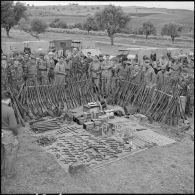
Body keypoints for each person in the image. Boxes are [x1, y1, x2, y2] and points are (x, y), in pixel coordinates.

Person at [1, 90, 19, 178]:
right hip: (8, 134)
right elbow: (13, 126)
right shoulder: (9, 110)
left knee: (2, 152)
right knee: (10, 154)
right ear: (8, 99)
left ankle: (2, 170)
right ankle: (9, 173)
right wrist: (16, 133)